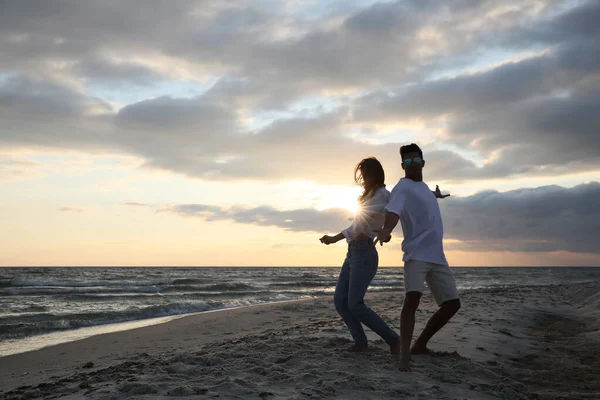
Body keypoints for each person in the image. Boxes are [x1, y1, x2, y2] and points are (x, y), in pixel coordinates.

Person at [374, 143, 460, 371]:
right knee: (411, 301)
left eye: (416, 160)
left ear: (423, 162)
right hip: (416, 255)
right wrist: (386, 230)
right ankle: (404, 356)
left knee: (452, 304)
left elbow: (422, 195)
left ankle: (420, 344)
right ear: (403, 166)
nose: (412, 164)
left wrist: (436, 195)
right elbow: (393, 211)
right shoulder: (402, 187)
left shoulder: (422, 188)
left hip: (438, 257)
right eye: (408, 161)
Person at [319, 157, 401, 354]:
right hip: (353, 253)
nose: (364, 178)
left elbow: (359, 226)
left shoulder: (382, 195)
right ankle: (360, 342)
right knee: (340, 300)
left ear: (376, 174)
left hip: (364, 253)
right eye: (362, 175)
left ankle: (394, 340)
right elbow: (357, 224)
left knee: (355, 303)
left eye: (366, 174)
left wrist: (334, 238)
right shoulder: (368, 197)